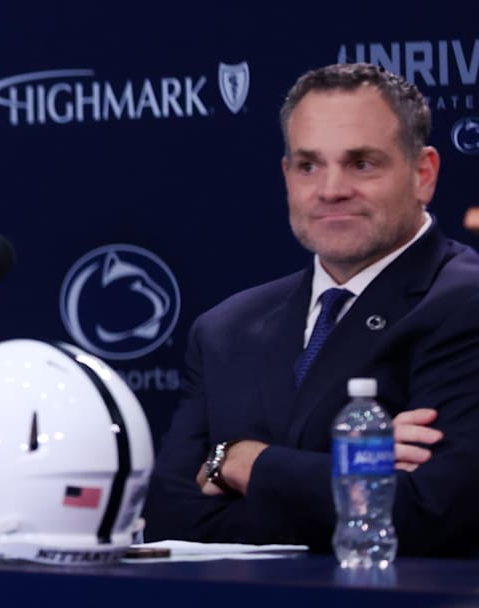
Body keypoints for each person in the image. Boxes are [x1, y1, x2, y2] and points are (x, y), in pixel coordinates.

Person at [143, 63, 479, 556]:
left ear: (422, 174)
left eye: (362, 163)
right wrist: (348, 464)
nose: (330, 189)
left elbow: (428, 514)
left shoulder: (465, 303)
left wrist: (245, 462)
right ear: (287, 175)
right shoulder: (225, 329)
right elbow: (172, 518)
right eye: (309, 165)